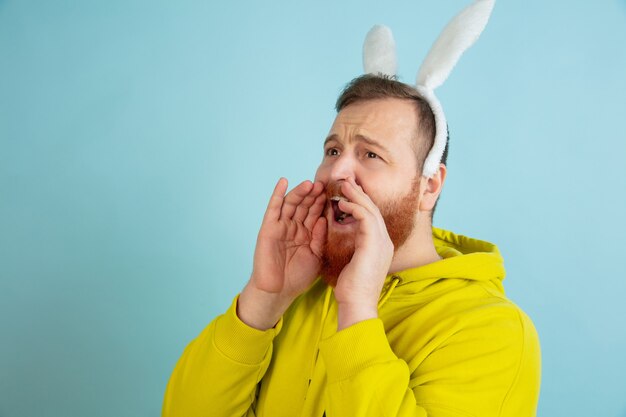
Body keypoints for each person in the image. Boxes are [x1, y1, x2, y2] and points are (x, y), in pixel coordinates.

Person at [162, 2, 541, 416]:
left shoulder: (491, 330)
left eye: (371, 155)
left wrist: (358, 308)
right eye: (333, 149)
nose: (337, 170)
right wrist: (262, 299)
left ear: (428, 186)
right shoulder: (297, 293)